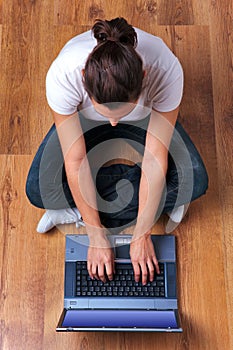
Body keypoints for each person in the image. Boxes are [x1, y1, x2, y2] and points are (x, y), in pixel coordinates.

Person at [26, 17, 208, 285]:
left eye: (121, 114)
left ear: (144, 78)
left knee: (196, 180)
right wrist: (96, 236)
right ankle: (154, 202)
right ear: (84, 77)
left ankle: (73, 209)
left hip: (148, 117)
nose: (113, 124)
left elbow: (154, 158)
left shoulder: (165, 70)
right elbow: (76, 161)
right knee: (37, 189)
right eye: (107, 114)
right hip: (83, 119)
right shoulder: (63, 73)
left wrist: (142, 234)